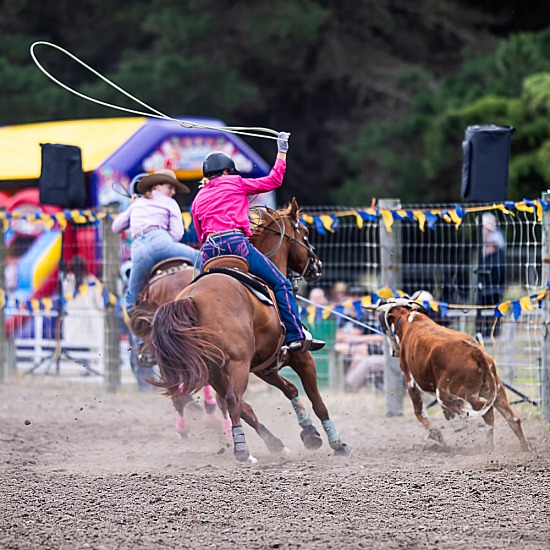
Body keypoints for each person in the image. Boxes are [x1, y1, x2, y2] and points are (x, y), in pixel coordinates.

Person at [191, 132, 324, 353]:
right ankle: (294, 334)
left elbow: (199, 233)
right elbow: (274, 180)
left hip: (209, 250)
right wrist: (282, 151)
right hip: (235, 244)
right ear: (225, 172)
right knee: (281, 283)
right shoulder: (234, 183)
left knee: (195, 290)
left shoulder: (198, 198)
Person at [111, 169, 200, 315]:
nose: (173, 192)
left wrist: (131, 206)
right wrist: (165, 242)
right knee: (200, 258)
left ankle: (136, 331)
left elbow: (116, 227)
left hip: (139, 250)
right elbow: (178, 234)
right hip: (161, 241)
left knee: (132, 296)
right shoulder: (170, 202)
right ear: (156, 186)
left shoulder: (137, 203)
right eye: (170, 188)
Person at [62, 255, 104, 368]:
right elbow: (98, 301)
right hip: (85, 318)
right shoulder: (88, 281)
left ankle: (84, 368)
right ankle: (85, 367)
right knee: (87, 346)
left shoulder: (69, 281)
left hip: (78, 319)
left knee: (83, 346)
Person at [476, 212, 506, 338]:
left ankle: (490, 334)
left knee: (491, 312)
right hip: (488, 286)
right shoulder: (488, 244)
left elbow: (496, 269)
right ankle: (486, 334)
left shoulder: (494, 244)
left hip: (492, 286)